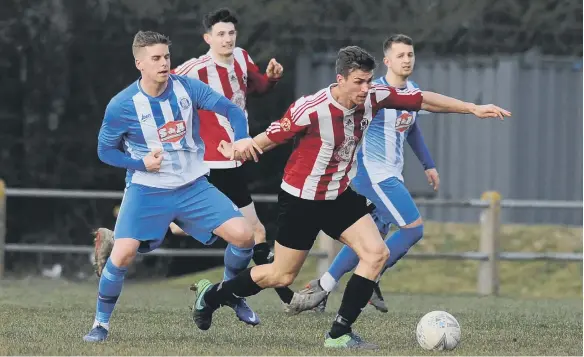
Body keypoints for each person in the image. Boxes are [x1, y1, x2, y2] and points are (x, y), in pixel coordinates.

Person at [189, 45, 511, 349]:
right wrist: (239, 147)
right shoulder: (311, 109)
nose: (365, 88)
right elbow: (271, 136)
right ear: (340, 79)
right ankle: (213, 295)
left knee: (376, 253)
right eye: (358, 82)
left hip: (339, 195)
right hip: (301, 200)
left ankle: (339, 334)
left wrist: (472, 108)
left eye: (369, 81)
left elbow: (423, 99)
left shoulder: (374, 97)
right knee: (280, 275)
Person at [91, 8, 286, 326]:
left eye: (166, 57)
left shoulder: (187, 87)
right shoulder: (123, 104)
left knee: (245, 235)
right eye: (155, 59)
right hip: (148, 188)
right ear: (139, 63)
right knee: (124, 256)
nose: (164, 63)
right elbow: (104, 151)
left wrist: (239, 138)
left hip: (194, 183)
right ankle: (100, 324)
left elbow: (231, 109)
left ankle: (228, 293)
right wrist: (139, 162)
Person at [294, 34, 442, 314]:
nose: (407, 60)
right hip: (372, 175)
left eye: (410, 54)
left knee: (373, 236)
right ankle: (367, 276)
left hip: (388, 175)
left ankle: (323, 286)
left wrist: (428, 164)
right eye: (400, 55)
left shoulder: (411, 91)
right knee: (413, 230)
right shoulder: (373, 92)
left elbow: (411, 129)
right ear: (387, 61)